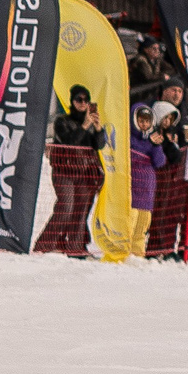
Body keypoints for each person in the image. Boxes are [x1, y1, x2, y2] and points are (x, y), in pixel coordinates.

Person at [42, 84, 107, 257]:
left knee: (81, 210)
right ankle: (45, 243)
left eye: (86, 100)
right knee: (66, 206)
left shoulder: (91, 123)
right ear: (72, 101)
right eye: (79, 99)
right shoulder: (62, 121)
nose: (83, 103)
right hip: (64, 170)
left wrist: (98, 127)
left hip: (84, 172)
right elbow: (70, 141)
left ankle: (75, 246)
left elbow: (100, 145)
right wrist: (85, 125)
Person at [125, 102, 167, 260]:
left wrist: (156, 146)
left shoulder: (152, 141)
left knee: (142, 226)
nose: (144, 124)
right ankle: (124, 251)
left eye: (147, 121)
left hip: (147, 192)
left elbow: (160, 162)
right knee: (129, 224)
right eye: (141, 121)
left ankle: (138, 254)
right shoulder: (128, 138)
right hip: (131, 190)